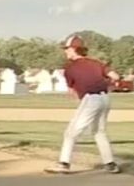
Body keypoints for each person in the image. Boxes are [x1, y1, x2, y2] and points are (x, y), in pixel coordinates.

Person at [45, 35, 122, 175]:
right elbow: (115, 77)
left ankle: (63, 163)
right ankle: (110, 164)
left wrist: (82, 102)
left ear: (75, 49)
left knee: (70, 133)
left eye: (67, 49)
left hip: (90, 99)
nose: (66, 52)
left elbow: (72, 92)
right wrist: (107, 84)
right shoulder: (97, 63)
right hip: (105, 98)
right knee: (99, 132)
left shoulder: (70, 68)